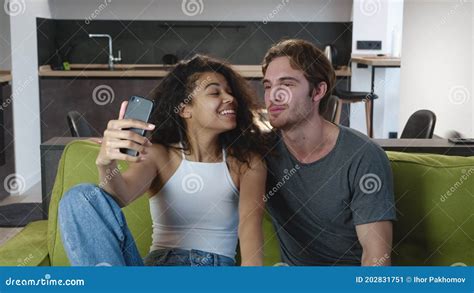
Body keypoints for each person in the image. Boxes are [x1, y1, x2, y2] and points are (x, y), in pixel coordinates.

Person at [58, 55, 267, 266]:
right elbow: (120, 196)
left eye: (230, 91)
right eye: (215, 92)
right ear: (185, 108)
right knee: (80, 196)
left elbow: (250, 231)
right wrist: (106, 164)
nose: (229, 98)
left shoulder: (247, 163)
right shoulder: (159, 154)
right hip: (158, 270)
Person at [261, 39, 396, 266]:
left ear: (318, 91)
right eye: (267, 86)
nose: (273, 96)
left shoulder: (362, 156)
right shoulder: (261, 152)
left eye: (287, 84)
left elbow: (376, 259)